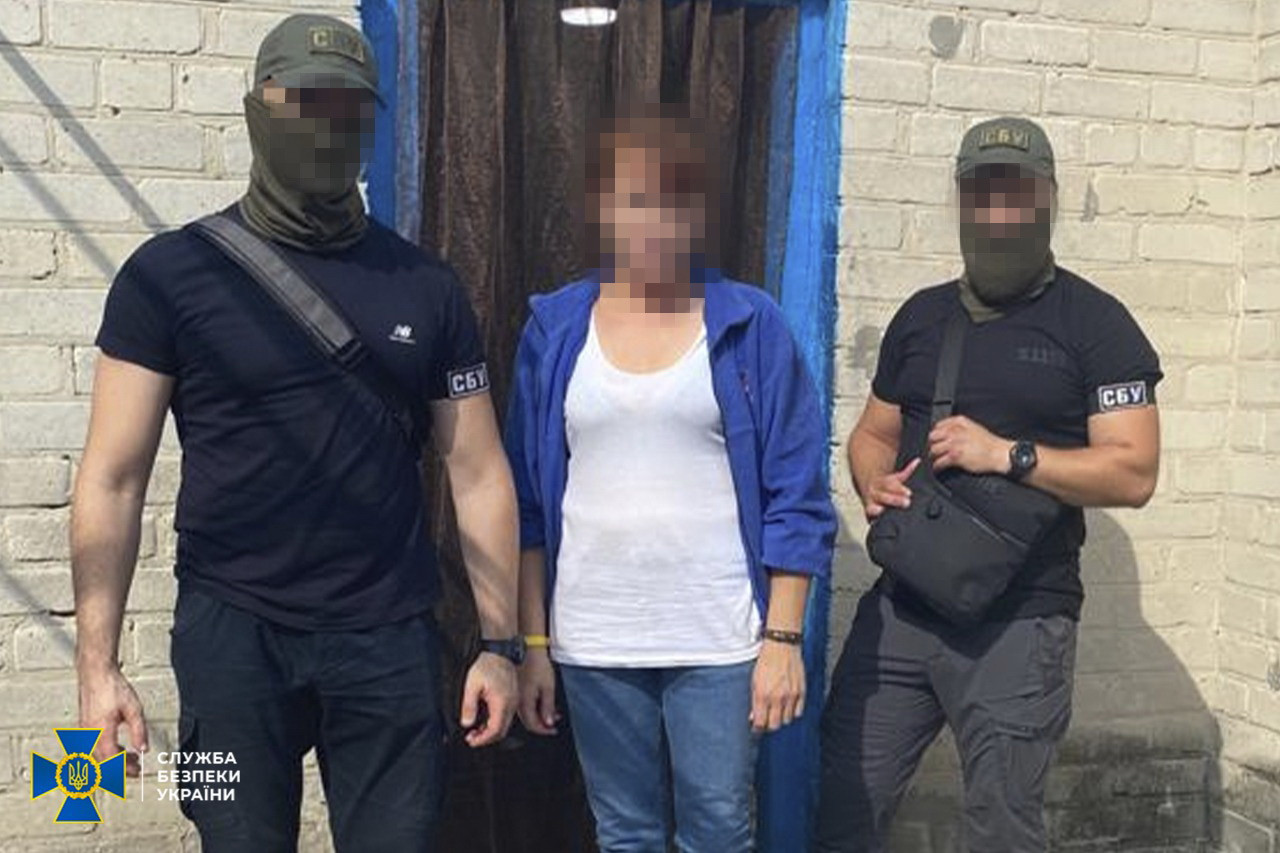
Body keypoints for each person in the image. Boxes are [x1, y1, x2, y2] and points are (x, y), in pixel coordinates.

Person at [71, 14, 521, 852]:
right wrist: (96, 668)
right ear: (258, 111)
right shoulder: (167, 277)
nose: (327, 125)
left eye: (348, 108)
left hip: (389, 639)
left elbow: (478, 470)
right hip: (231, 639)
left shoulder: (426, 286)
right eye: (305, 102)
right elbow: (112, 478)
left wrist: (500, 644)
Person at [816, 116, 1163, 852]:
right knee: (845, 805)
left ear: (1049, 198)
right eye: (983, 192)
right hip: (904, 609)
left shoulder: (1097, 325)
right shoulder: (922, 317)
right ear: (962, 200)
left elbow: (1134, 471)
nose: (1000, 210)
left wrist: (1009, 454)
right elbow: (872, 433)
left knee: (1002, 829)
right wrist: (874, 483)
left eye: (1018, 192)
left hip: (1021, 622)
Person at [504, 107, 836, 853]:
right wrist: (534, 643)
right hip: (594, 638)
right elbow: (526, 505)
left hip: (718, 639)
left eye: (672, 199)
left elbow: (796, 495)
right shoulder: (556, 330)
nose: (652, 220)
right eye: (633, 199)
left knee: (718, 832)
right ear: (602, 208)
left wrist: (783, 639)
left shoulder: (749, 324)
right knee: (625, 834)